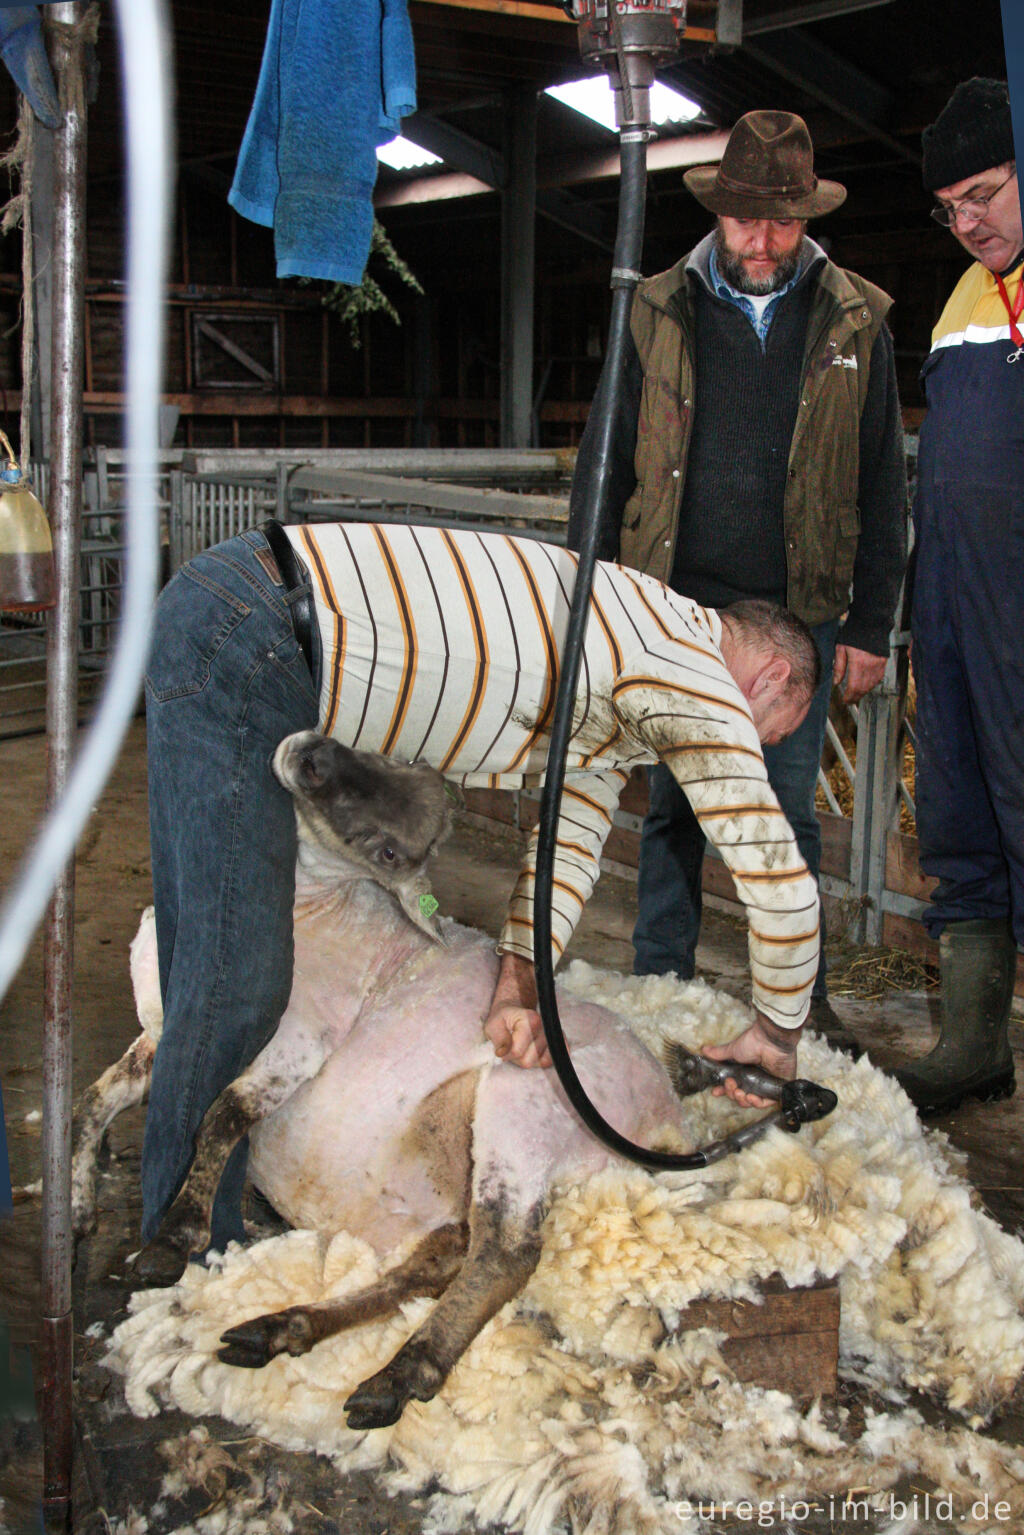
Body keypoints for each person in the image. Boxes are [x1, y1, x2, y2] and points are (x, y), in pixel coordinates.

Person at [141, 519, 822, 1252]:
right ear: (772, 678)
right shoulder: (691, 668)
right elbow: (779, 881)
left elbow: (567, 844)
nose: (759, 747)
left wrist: (515, 987)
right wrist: (778, 1033)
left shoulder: (627, 658)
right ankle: (188, 1254)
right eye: (773, 732)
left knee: (202, 949)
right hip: (261, 630)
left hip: (241, 615)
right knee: (234, 978)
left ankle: (177, 1226)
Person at [568, 109, 908, 1050]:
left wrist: (870, 625)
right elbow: (605, 462)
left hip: (797, 624)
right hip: (678, 611)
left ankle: (799, 1001)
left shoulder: (854, 321)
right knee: (674, 806)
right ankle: (660, 985)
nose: (763, 241)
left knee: (787, 818)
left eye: (783, 221)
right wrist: (586, 601)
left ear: (807, 214)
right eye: (747, 219)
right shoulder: (654, 307)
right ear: (719, 210)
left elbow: (883, 481)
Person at [894, 79, 1022, 1115]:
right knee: (960, 814)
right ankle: (975, 1041)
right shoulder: (962, 300)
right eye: (949, 205)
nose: (965, 220)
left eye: (981, 193)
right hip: (951, 601)